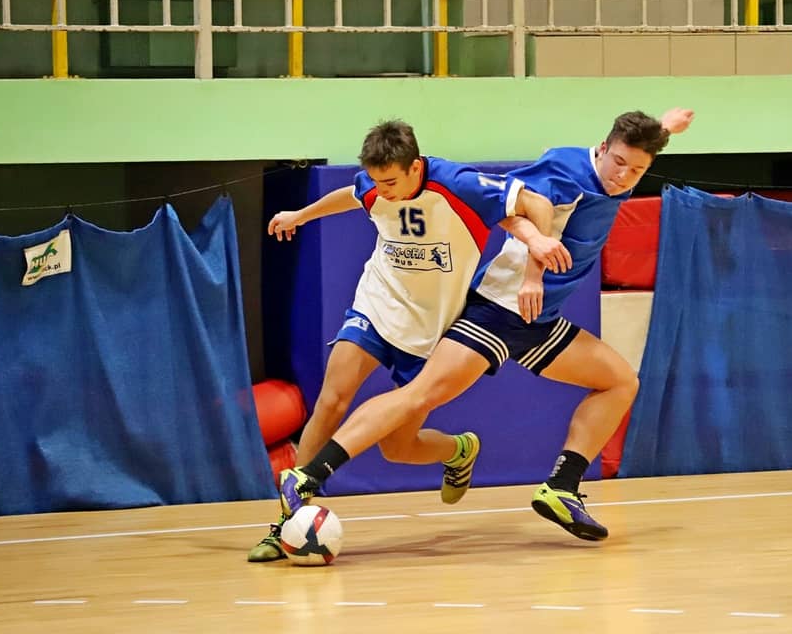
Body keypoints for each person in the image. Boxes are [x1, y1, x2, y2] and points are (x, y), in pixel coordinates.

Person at [276, 107, 694, 542]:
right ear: (603, 148)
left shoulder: (620, 169)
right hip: (498, 309)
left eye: (636, 170)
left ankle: (561, 487)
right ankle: (309, 476)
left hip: (537, 319)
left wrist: (666, 128)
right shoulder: (565, 170)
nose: (624, 176)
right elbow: (533, 209)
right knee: (416, 396)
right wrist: (532, 276)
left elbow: (635, 152)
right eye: (619, 163)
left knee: (620, 381)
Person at [249, 119, 570, 561]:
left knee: (398, 448)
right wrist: (300, 216)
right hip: (378, 304)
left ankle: (459, 449)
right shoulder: (375, 184)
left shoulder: (457, 183)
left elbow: (537, 204)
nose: (381, 192)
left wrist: (534, 258)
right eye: (376, 182)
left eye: (390, 183)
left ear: (415, 167)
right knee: (332, 400)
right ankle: (289, 519)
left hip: (430, 329)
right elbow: (352, 194)